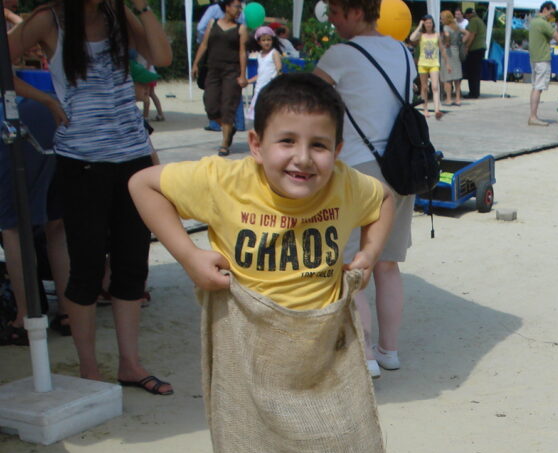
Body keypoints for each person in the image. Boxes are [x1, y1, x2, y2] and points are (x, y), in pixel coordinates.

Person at [129, 72, 394, 316]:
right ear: (256, 145)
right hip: (244, 334)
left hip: (320, 334)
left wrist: (370, 253)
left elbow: (384, 199)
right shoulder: (226, 181)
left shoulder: (343, 183)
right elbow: (143, 184)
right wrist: (188, 256)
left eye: (318, 145)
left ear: (336, 152)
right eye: (287, 141)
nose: (303, 159)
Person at [11, 0, 173, 394]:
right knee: (86, 267)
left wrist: (140, 6)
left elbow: (162, 56)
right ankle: (89, 370)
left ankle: (130, 364)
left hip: (132, 155)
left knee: (132, 263)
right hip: (81, 159)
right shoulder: (50, 20)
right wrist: (45, 98)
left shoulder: (119, 14)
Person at [314, 0, 416, 378]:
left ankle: (365, 354)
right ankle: (389, 350)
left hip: (359, 168)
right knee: (387, 264)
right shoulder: (403, 51)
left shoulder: (340, 55)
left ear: (356, 11)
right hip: (401, 167)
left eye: (336, 13)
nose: (332, 20)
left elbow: (306, 100)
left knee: (352, 265)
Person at [0, 95, 70, 345]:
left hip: (18, 118)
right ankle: (68, 312)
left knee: (13, 227)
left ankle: (25, 318)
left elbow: (11, 77)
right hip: (55, 116)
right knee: (56, 225)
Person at [192, 0, 248, 156]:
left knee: (228, 106)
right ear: (227, 7)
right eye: (236, 7)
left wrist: (243, 75)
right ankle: (228, 128)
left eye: (240, 7)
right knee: (210, 104)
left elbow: (243, 52)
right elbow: (204, 44)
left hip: (232, 71)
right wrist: (195, 63)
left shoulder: (241, 28)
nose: (239, 10)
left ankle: (225, 143)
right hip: (213, 70)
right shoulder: (213, 23)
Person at [527, 1, 558, 127]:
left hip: (534, 58)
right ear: (545, 9)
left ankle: (532, 115)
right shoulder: (543, 23)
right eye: (551, 13)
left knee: (535, 86)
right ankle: (533, 117)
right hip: (542, 58)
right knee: (539, 87)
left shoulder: (533, 22)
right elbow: (557, 37)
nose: (552, 16)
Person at [410, 15, 444, 121]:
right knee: (424, 87)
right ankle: (425, 109)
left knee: (435, 86)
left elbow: (442, 49)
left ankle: (437, 109)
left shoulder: (437, 35)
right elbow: (412, 38)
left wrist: (446, 63)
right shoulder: (421, 35)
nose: (429, 24)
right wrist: (420, 25)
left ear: (433, 24)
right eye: (427, 23)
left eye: (430, 22)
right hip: (423, 63)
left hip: (434, 63)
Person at [245, 26, 282, 121]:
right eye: (263, 40)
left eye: (269, 40)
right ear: (259, 42)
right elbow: (260, 74)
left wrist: (275, 79)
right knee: (258, 115)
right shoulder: (259, 55)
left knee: (268, 114)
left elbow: (278, 68)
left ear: (272, 40)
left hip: (270, 89)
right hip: (259, 89)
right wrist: (248, 81)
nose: (266, 42)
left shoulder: (274, 53)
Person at [439, 9, 464, 107]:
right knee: (457, 77)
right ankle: (458, 99)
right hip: (456, 50)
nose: (441, 20)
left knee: (447, 77)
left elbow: (447, 35)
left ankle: (448, 99)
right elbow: (466, 33)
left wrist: (447, 42)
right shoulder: (457, 26)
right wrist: (462, 42)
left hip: (448, 51)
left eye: (442, 18)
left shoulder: (446, 27)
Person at [463, 7, 486, 99]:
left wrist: (466, 47)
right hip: (481, 48)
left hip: (475, 49)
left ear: (469, 15)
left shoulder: (473, 21)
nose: (467, 18)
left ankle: (473, 93)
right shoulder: (480, 20)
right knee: (476, 72)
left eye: (466, 16)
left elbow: (472, 35)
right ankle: (475, 92)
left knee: (472, 72)